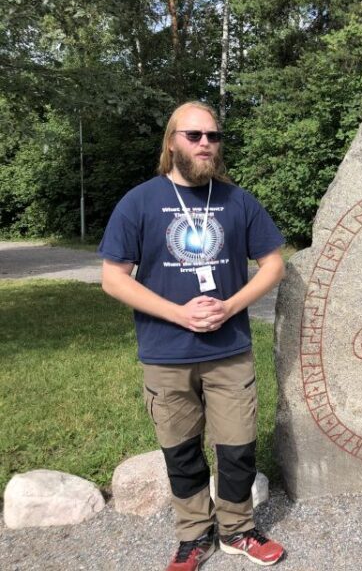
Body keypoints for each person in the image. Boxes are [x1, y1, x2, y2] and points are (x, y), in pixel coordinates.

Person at [99, 101, 286, 570]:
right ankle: (192, 535)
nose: (205, 143)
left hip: (229, 349)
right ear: (172, 141)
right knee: (182, 451)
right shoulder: (139, 202)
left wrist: (230, 306)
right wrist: (178, 315)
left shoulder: (237, 200)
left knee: (238, 447)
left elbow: (274, 264)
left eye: (213, 136)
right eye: (194, 135)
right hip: (166, 351)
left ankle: (238, 530)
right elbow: (113, 277)